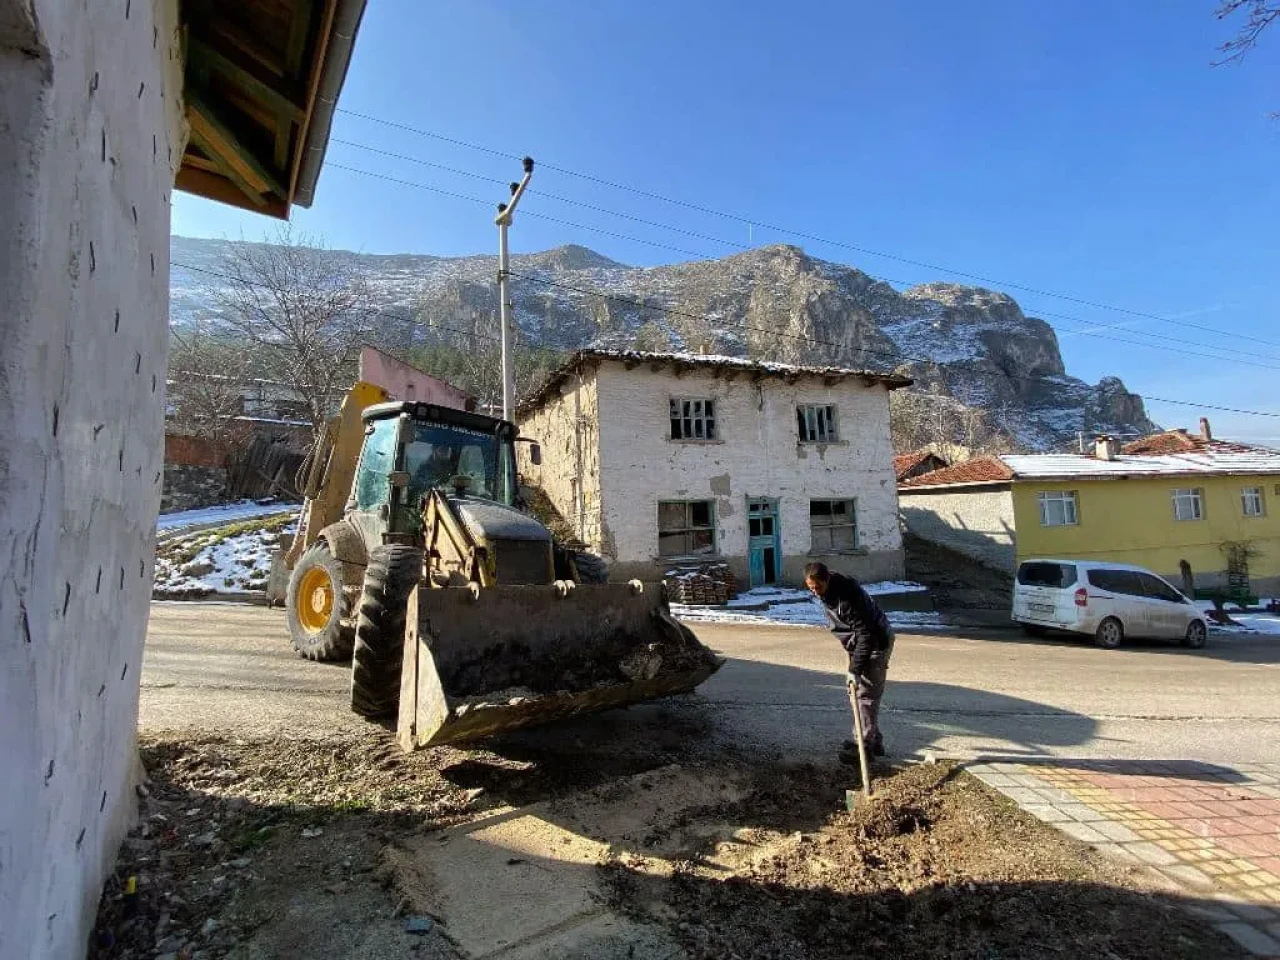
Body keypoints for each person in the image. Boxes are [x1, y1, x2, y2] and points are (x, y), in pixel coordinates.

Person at [804, 561, 895, 762]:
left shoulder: (848, 597)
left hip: (875, 642)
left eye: (818, 587)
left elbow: (866, 635)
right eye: (811, 588)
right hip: (859, 644)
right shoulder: (829, 591)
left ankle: (863, 745)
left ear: (827, 579)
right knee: (860, 693)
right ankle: (874, 740)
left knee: (865, 694)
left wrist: (855, 669)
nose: (815, 592)